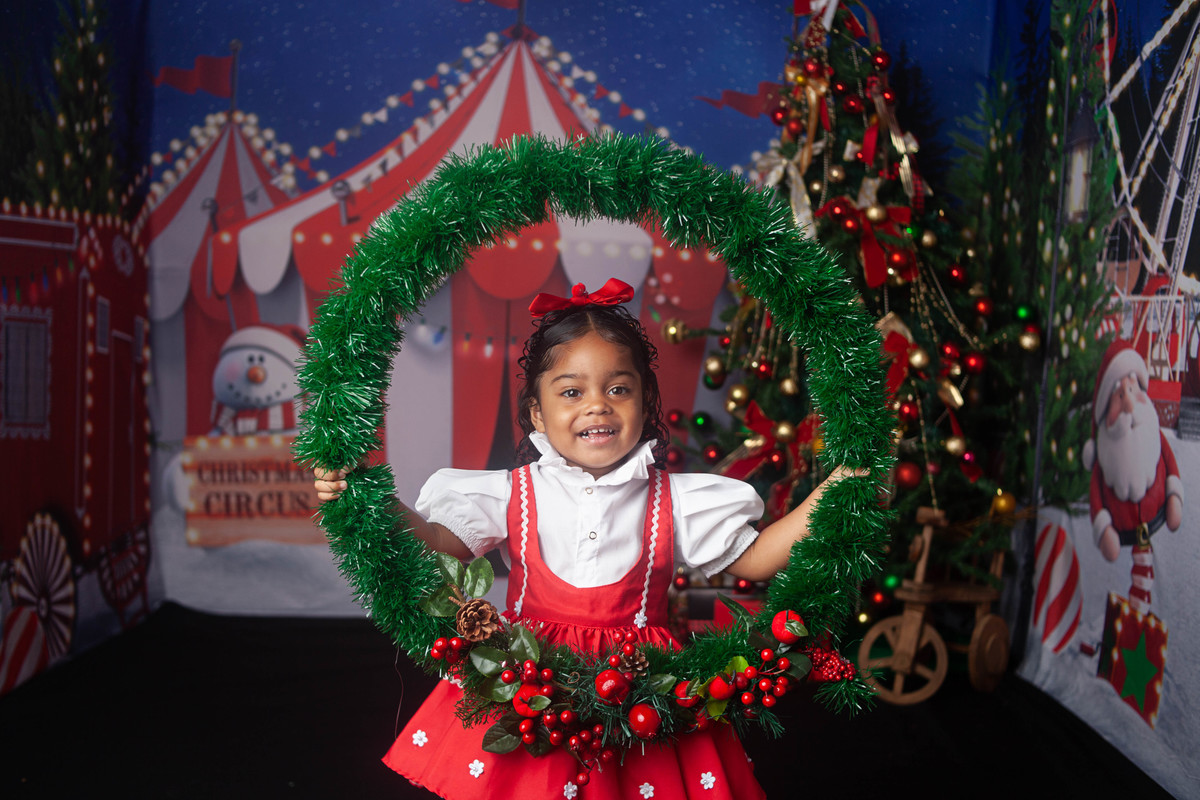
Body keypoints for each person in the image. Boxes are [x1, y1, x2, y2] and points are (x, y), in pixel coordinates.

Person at [314, 278, 855, 799]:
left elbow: (757, 559)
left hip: (640, 689)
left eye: (618, 388)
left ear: (645, 406)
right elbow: (438, 539)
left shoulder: (678, 500)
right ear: (537, 416)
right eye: (571, 391)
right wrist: (368, 499)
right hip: (535, 683)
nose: (597, 405)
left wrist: (833, 494)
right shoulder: (512, 492)